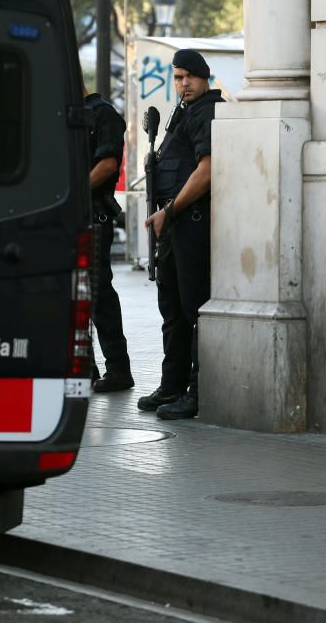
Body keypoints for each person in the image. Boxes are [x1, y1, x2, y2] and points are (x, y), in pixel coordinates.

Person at [138, 49, 223, 420]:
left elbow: (208, 170)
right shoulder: (182, 114)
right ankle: (171, 384)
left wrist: (170, 211)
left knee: (193, 309)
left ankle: (197, 391)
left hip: (189, 223)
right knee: (172, 309)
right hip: (172, 225)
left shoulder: (207, 111)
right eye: (177, 77)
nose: (183, 83)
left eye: (189, 76)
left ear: (205, 77)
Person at [84, 84, 135, 392]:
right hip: (72, 216)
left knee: (99, 293)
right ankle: (85, 368)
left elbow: (107, 165)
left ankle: (118, 369)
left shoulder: (103, 115)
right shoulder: (65, 115)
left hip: (93, 214)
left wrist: (73, 194)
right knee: (73, 295)